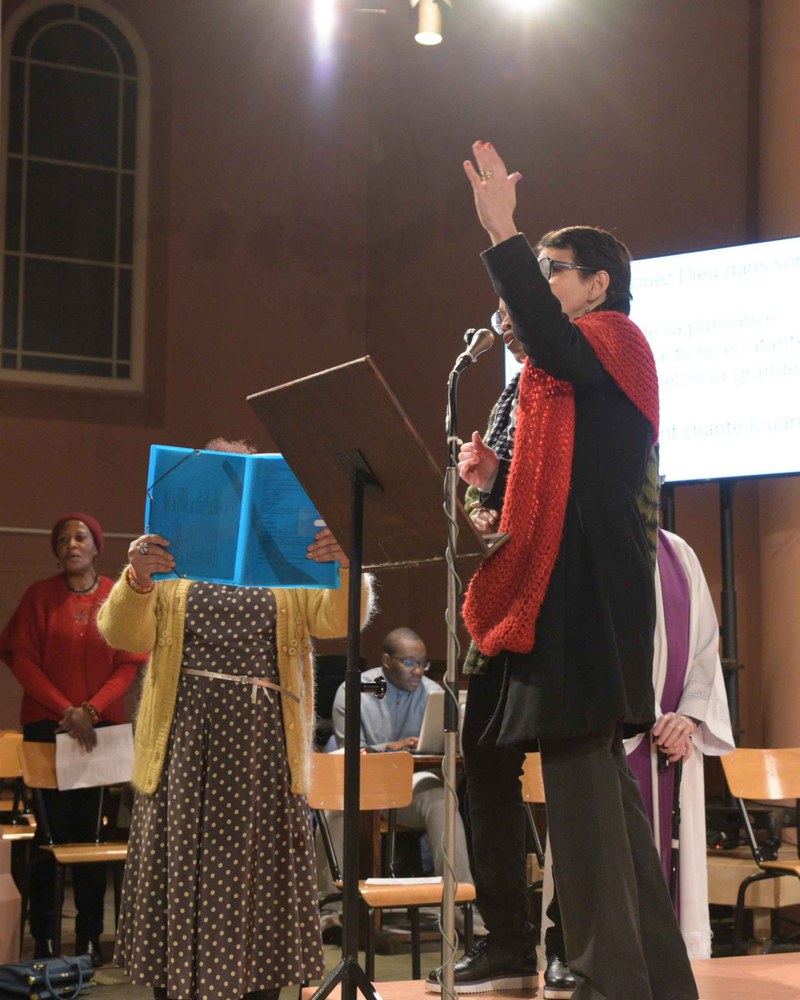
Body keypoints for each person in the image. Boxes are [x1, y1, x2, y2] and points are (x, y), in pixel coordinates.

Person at [426, 141, 698, 1000]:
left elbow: (544, 340)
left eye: (552, 270)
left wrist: (501, 231)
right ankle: (651, 976)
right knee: (598, 796)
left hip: (587, 597)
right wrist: (494, 478)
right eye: (535, 268)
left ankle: (601, 975)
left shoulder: (618, 341)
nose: (539, 285)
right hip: (563, 590)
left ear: (598, 285)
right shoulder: (557, 375)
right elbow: (557, 477)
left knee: (584, 793)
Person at [96, 442, 374, 1000]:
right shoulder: (171, 559)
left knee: (257, 880)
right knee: (184, 873)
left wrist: (345, 567)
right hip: (184, 746)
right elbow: (123, 634)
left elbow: (337, 621)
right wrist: (137, 579)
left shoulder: (282, 556)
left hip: (263, 748)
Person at [541, 527, 736, 997]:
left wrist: (688, 718)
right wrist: (638, 713)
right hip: (610, 735)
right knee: (595, 852)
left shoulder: (678, 552)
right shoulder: (586, 538)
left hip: (673, 743)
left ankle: (662, 972)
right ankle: (584, 960)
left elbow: (705, 648)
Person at [0, 513, 146, 965]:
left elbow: (129, 662)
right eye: (62, 539)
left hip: (100, 733)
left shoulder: (115, 595)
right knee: (50, 839)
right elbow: (21, 659)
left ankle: (89, 937)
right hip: (49, 729)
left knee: (93, 838)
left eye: (80, 537)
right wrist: (67, 710)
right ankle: (44, 938)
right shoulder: (38, 597)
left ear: (97, 547)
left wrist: (91, 711)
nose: (71, 545)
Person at [321, 627, 480, 933]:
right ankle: (330, 911)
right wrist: (389, 748)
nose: (418, 671)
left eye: (423, 664)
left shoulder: (434, 694)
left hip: (408, 787)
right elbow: (348, 750)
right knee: (333, 811)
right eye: (409, 663)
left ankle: (459, 908)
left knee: (441, 797)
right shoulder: (355, 690)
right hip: (362, 785)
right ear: (386, 661)